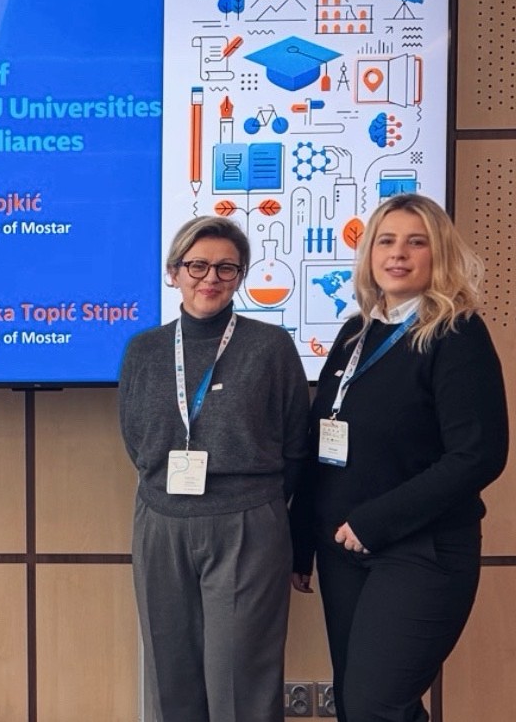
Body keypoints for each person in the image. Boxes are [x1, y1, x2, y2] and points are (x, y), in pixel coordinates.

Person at [289, 193, 509, 722]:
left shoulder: (455, 334)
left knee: (376, 706)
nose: (399, 254)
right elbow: (324, 445)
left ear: (439, 255)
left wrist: (373, 521)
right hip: (344, 550)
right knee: (356, 704)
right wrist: (301, 544)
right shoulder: (356, 333)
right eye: (386, 241)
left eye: (417, 242)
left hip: (420, 551)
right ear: (368, 254)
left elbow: (478, 455)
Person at [119, 216, 309, 722]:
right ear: (173, 272)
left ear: (241, 276)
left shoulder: (271, 347)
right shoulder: (145, 350)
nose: (211, 278)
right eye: (197, 265)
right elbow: (136, 439)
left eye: (227, 268)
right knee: (170, 674)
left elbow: (296, 443)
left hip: (246, 521)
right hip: (161, 519)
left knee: (241, 682)